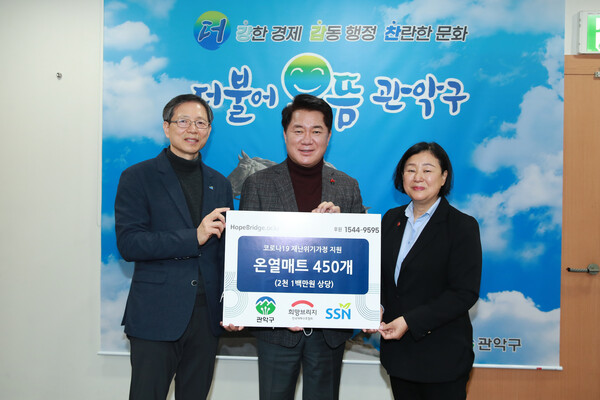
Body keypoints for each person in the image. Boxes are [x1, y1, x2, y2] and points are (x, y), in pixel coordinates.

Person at [239, 94, 365, 400]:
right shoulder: (258, 184)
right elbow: (247, 259)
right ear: (285, 134)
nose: (307, 139)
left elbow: (360, 260)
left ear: (329, 136)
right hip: (275, 329)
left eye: (316, 130)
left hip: (328, 331)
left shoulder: (347, 186)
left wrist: (339, 229)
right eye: (298, 130)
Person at [114, 94, 234, 400]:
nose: (192, 129)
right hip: (156, 314)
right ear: (167, 127)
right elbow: (130, 243)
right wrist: (194, 236)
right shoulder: (137, 177)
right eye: (183, 121)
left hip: (206, 318)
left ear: (209, 130)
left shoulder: (220, 183)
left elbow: (227, 253)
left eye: (201, 123)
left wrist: (234, 305)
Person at [378, 142, 482, 400]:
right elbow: (381, 278)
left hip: (442, 358)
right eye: (410, 170)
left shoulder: (462, 226)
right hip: (399, 356)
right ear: (402, 176)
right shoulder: (390, 220)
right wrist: (374, 307)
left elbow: (464, 293)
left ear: (443, 176)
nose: (418, 177)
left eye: (427, 170)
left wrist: (409, 322)